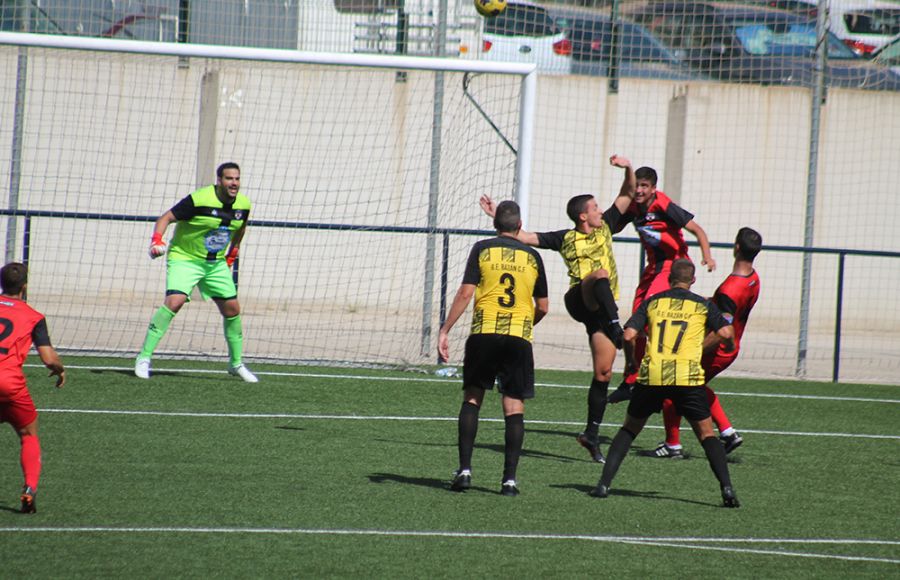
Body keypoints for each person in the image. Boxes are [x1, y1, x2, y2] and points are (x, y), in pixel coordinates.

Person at [480, 154, 635, 464]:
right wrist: (498, 215)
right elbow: (523, 236)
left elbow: (628, 193)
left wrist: (629, 167)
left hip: (601, 312)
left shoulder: (606, 228)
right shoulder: (565, 238)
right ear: (582, 216)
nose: (599, 210)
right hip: (581, 299)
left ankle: (591, 434)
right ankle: (618, 326)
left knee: (603, 372)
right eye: (594, 208)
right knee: (599, 276)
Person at [589, 259, 740, 508]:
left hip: (654, 375)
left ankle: (603, 485)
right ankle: (727, 489)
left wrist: (630, 363)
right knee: (706, 434)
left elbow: (628, 335)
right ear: (692, 280)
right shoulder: (702, 305)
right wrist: (724, 346)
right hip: (686, 377)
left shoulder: (654, 302)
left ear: (670, 279)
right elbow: (725, 332)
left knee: (629, 429)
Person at [439, 200, 549, 496]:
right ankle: (509, 481)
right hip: (518, 337)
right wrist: (524, 324)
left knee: (473, 397)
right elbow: (544, 306)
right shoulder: (534, 256)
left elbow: (465, 292)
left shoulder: (482, 248)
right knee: (514, 406)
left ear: (494, 224)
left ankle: (464, 471)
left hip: (484, 332)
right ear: (520, 224)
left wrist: (445, 328)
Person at [135, 162, 258, 382]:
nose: (234, 183)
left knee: (232, 309)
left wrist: (232, 253)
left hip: (215, 263)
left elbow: (241, 228)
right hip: (185, 258)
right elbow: (165, 218)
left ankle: (236, 363)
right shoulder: (199, 199)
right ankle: (144, 358)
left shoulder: (244, 204)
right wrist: (157, 240)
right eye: (229, 179)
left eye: (237, 179)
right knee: (175, 301)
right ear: (219, 180)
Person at [606, 165, 717, 403]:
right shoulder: (634, 208)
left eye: (644, 186)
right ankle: (630, 378)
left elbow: (697, 229)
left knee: (648, 312)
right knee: (636, 322)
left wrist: (707, 255)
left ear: (654, 188)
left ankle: (652, 370)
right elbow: (611, 226)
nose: (639, 190)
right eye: (636, 185)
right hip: (653, 267)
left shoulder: (663, 205)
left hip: (673, 266)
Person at [653, 227, 762, 458]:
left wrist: (694, 350)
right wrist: (706, 301)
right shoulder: (753, 278)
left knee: (673, 386)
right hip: (731, 347)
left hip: (718, 348)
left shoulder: (730, 288)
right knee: (696, 387)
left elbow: (724, 330)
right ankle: (728, 432)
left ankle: (673, 445)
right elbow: (728, 309)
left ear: (737, 247)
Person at [0, 262, 66, 513]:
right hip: (10, 385)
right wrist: (60, 370)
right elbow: (49, 358)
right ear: (24, 286)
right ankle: (29, 489)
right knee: (28, 435)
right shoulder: (34, 317)